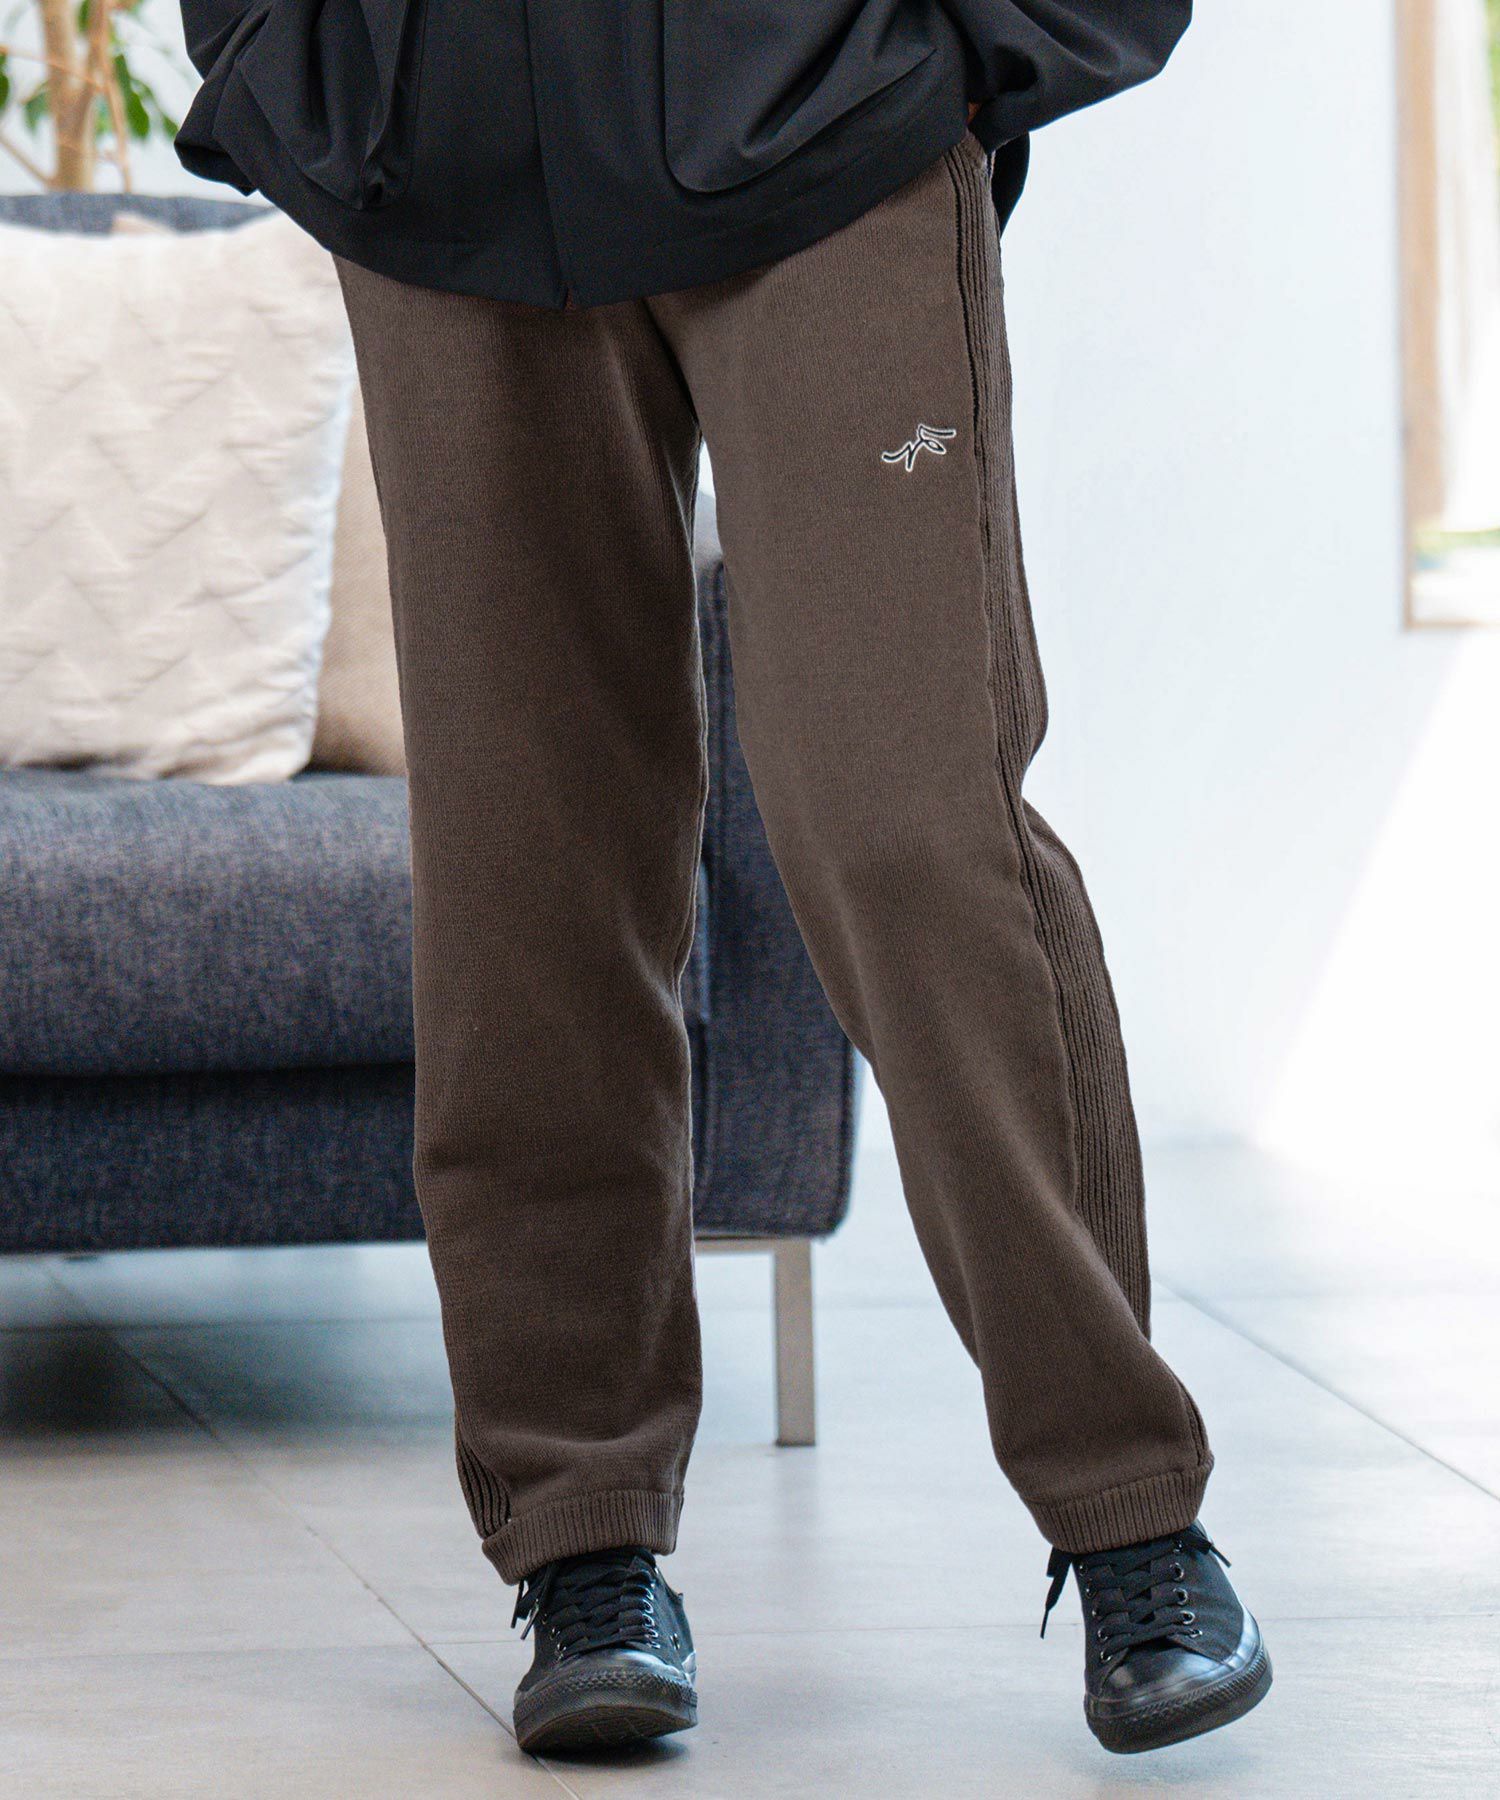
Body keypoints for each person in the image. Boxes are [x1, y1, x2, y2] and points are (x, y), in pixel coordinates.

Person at [175, 0, 1271, 1759]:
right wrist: (291, 69)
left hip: (822, 127)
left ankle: (1127, 1503)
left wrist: (964, 59)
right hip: (446, 161)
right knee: (528, 872)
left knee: (908, 826)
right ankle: (583, 1538)